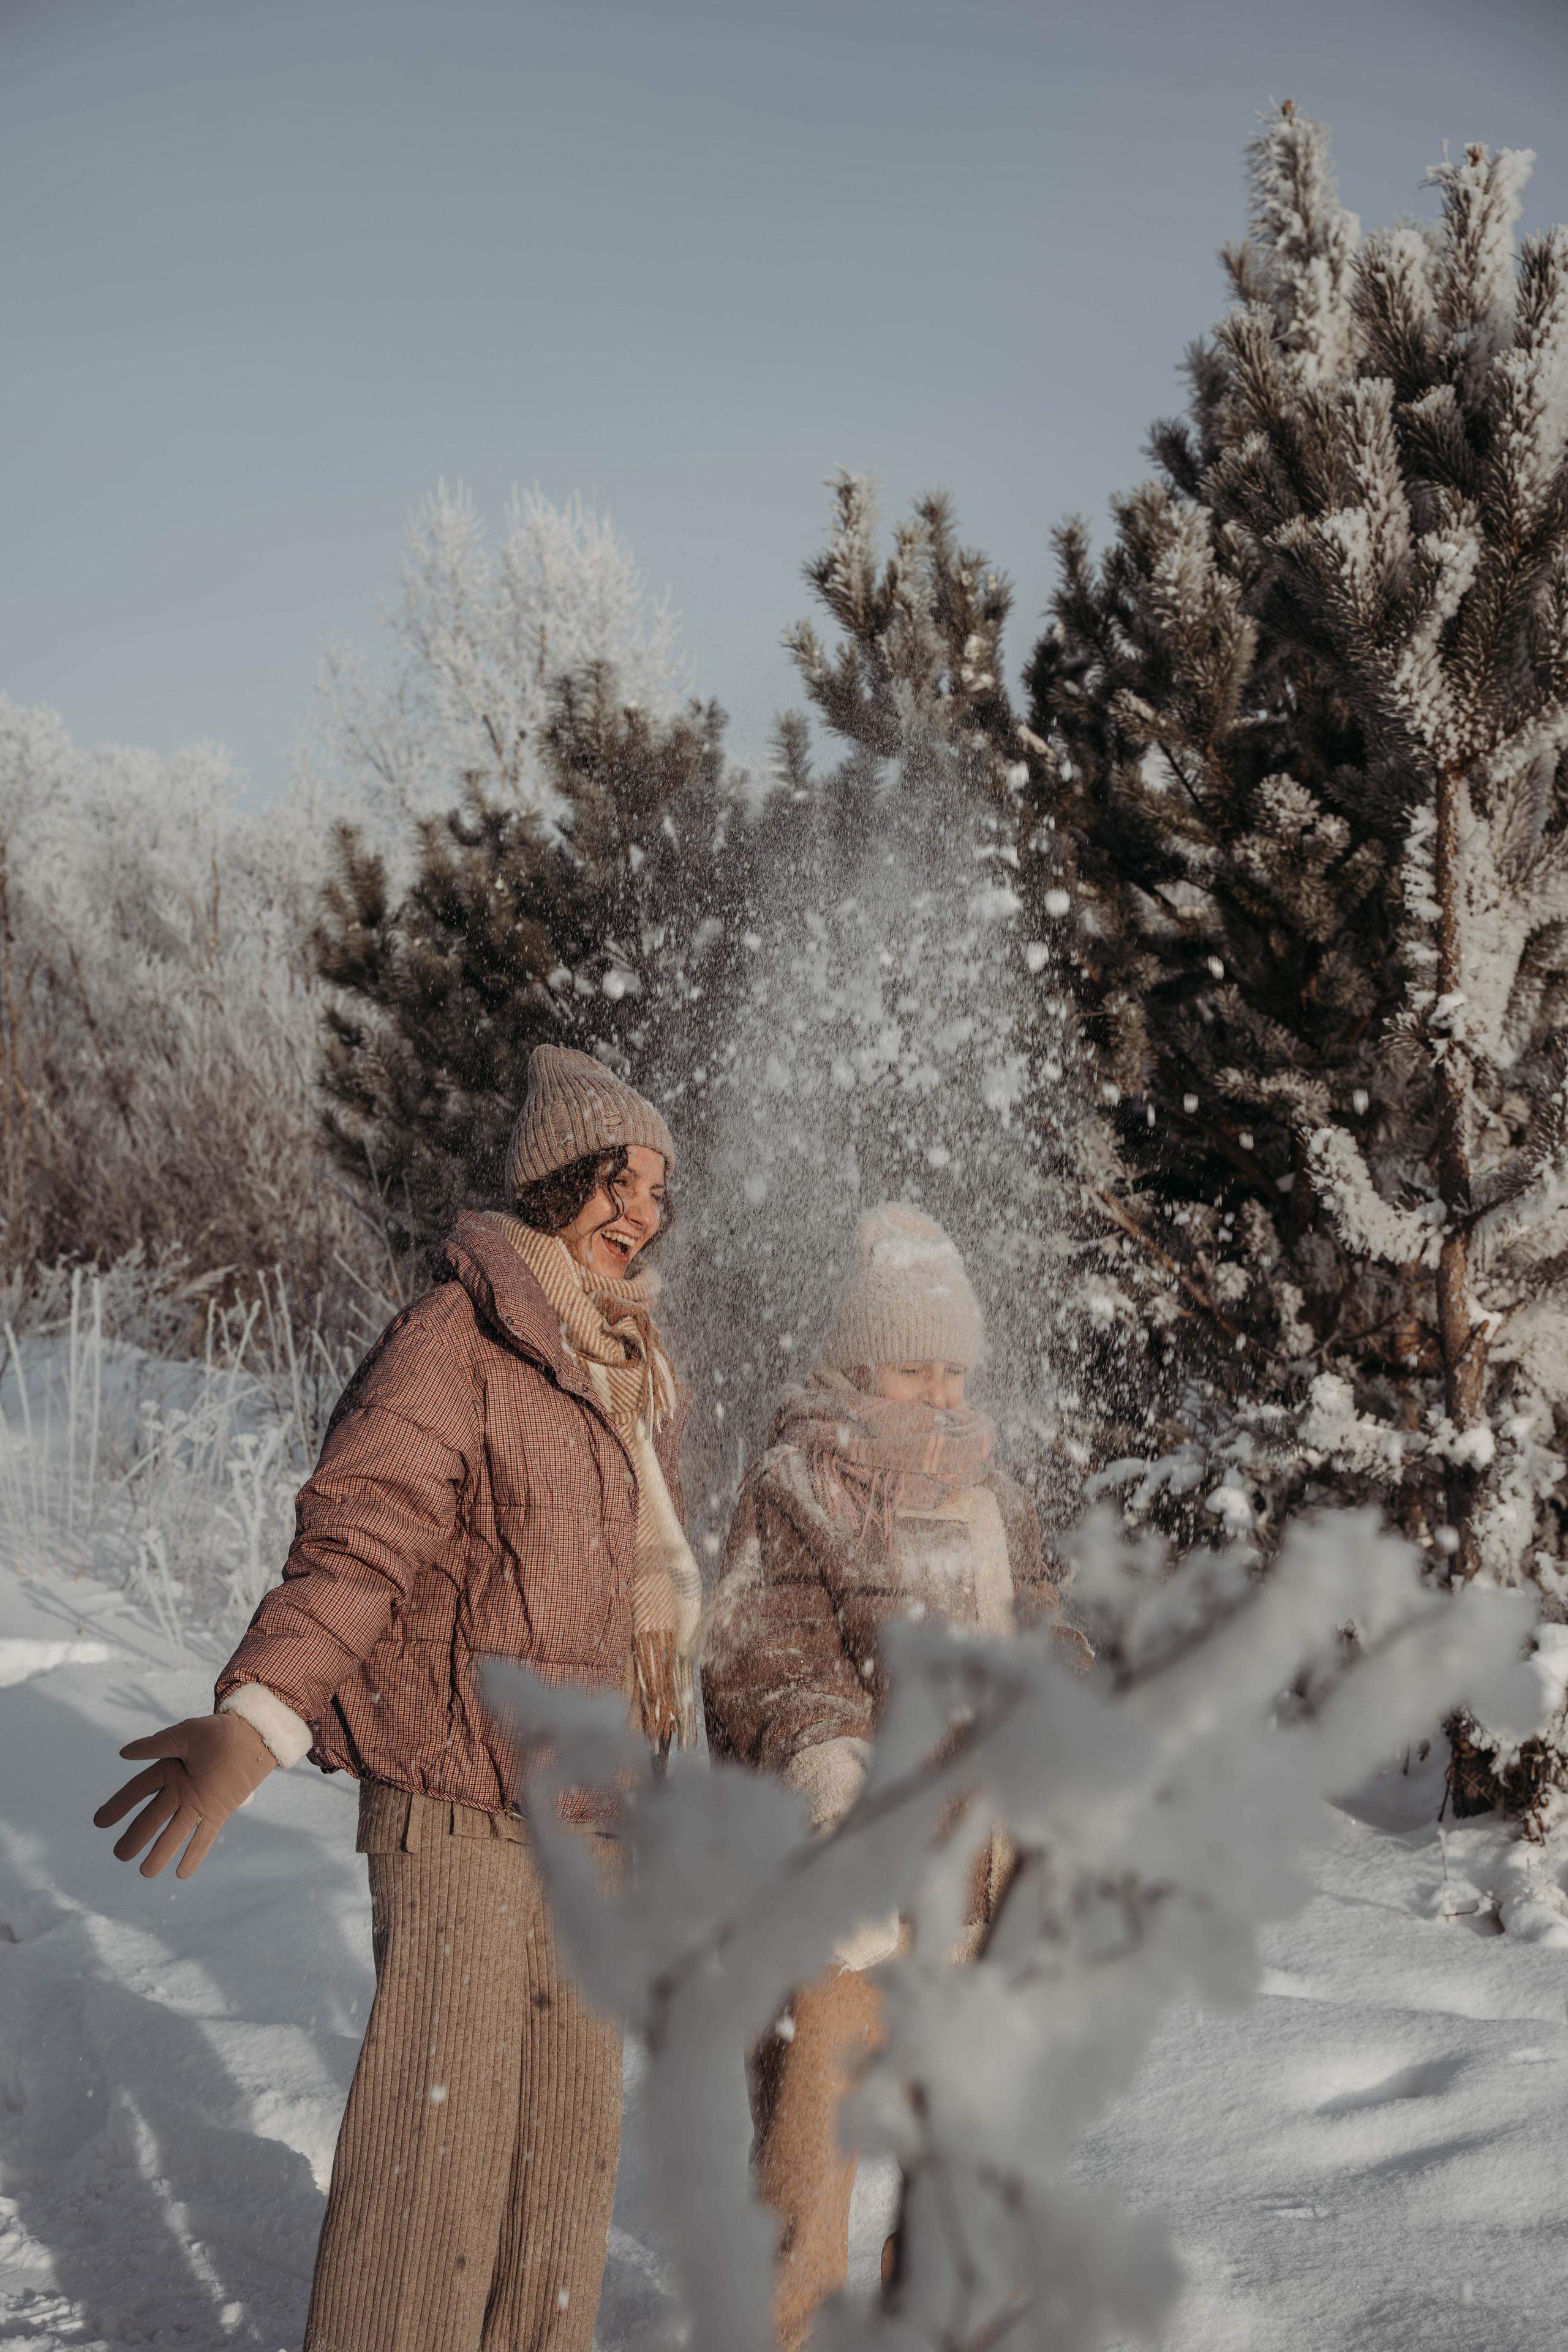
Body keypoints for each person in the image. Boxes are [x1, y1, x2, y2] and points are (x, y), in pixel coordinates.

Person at [92, 1045, 703, 2352]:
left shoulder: (625, 1377)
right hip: (461, 1802)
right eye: (618, 1179)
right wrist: (260, 1716)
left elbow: (636, 1613)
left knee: (560, 2175)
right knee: (437, 2172)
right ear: (550, 1183)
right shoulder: (456, 1342)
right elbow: (359, 1540)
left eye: (658, 1188)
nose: (642, 1210)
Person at [701, 1203, 1088, 2352]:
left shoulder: (996, 1499)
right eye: (913, 1370)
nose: (940, 1395)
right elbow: (766, 1665)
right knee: (802, 2191)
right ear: (858, 1362)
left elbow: (1041, 1629)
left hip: (976, 1896)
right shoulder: (796, 1486)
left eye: (953, 1372)